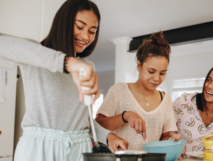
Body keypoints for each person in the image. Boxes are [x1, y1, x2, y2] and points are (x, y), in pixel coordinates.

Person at [0, 0, 127, 161]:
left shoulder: (88, 66)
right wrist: (66, 62)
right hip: (39, 151)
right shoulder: (37, 56)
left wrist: (109, 136)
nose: (85, 36)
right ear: (64, 23)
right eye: (80, 27)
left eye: (92, 31)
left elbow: (83, 122)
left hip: (78, 151)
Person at [96, 31, 181, 150]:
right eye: (151, 71)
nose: (157, 78)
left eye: (162, 73)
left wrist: (171, 139)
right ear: (139, 66)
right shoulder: (118, 90)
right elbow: (98, 125)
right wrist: (125, 116)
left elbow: (165, 136)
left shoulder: (165, 100)